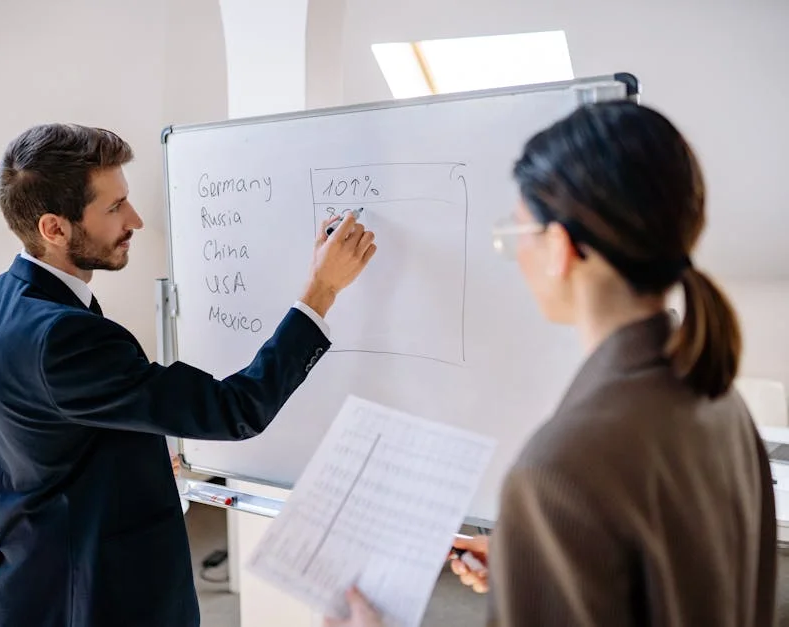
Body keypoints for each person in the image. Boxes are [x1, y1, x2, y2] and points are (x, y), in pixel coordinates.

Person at [324, 100, 776, 626]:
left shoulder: (561, 468)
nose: (516, 255)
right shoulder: (721, 398)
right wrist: (535, 567)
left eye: (517, 234)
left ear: (559, 247)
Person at [0, 123, 377, 627]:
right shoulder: (63, 336)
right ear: (54, 229)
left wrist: (138, 462)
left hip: (34, 580)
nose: (136, 220)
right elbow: (237, 409)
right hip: (90, 600)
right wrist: (321, 291)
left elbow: (53, 437)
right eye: (114, 207)